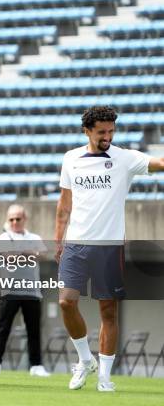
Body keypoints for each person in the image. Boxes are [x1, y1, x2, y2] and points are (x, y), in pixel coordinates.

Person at [55, 106, 164, 392]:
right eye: (102, 132)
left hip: (109, 246)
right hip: (76, 244)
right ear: (87, 131)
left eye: (111, 131)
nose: (107, 136)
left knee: (108, 312)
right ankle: (84, 360)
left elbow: (160, 163)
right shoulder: (71, 159)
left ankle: (104, 376)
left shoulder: (125, 158)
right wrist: (58, 239)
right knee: (66, 302)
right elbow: (64, 203)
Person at [0, 205, 50, 377]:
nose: (15, 222)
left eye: (18, 218)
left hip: (32, 292)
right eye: (11, 219)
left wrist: (20, 252)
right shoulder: (3, 237)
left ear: (25, 219)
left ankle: (36, 365)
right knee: (3, 328)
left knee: (34, 330)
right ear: (8, 220)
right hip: (10, 291)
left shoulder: (35, 237)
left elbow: (43, 255)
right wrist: (29, 253)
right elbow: (8, 257)